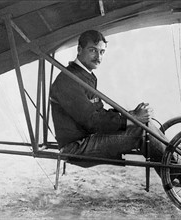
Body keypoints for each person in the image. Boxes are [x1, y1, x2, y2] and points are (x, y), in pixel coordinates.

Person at [49, 30, 170, 169]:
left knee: (144, 124)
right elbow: (92, 121)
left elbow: (98, 112)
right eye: (92, 50)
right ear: (79, 49)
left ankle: (177, 169)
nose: (98, 57)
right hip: (76, 147)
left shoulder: (85, 75)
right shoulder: (69, 80)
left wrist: (130, 115)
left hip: (89, 138)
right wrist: (132, 119)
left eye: (102, 52)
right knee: (141, 130)